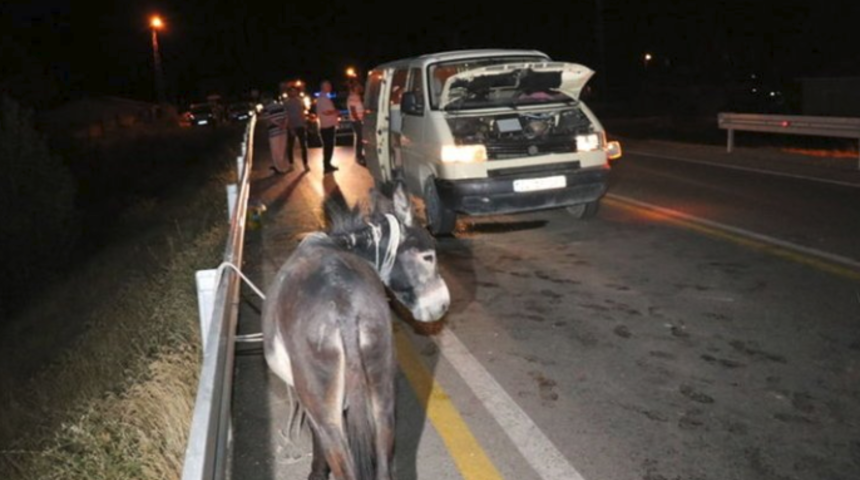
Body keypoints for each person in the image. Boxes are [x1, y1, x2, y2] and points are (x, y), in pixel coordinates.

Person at [261, 94, 290, 174]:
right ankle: (284, 167)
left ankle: (279, 168)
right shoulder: (281, 106)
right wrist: (284, 125)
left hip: (274, 132)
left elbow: (269, 119)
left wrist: (278, 125)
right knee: (282, 150)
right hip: (283, 130)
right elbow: (286, 116)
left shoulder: (266, 109)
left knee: (275, 150)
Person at [315, 80, 339, 174]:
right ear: (323, 87)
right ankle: (327, 166)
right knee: (328, 147)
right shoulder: (323, 98)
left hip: (327, 125)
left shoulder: (323, 97)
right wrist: (335, 112)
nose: (330, 87)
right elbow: (325, 112)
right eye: (328, 85)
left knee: (328, 147)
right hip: (327, 126)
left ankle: (328, 165)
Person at [284, 86, 309, 171]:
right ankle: (291, 164)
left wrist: (304, 123)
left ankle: (305, 164)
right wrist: (290, 127)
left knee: (304, 146)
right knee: (290, 146)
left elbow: (302, 112)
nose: (293, 93)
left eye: (294, 91)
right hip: (292, 125)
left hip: (300, 125)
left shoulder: (299, 101)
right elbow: (286, 116)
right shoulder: (286, 103)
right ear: (289, 93)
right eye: (291, 91)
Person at [347, 81, 366, 166]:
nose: (360, 88)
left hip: (358, 120)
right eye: (358, 87)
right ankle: (359, 156)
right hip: (356, 121)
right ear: (354, 88)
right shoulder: (352, 97)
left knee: (360, 138)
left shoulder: (357, 96)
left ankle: (359, 155)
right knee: (360, 138)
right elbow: (353, 110)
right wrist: (358, 120)